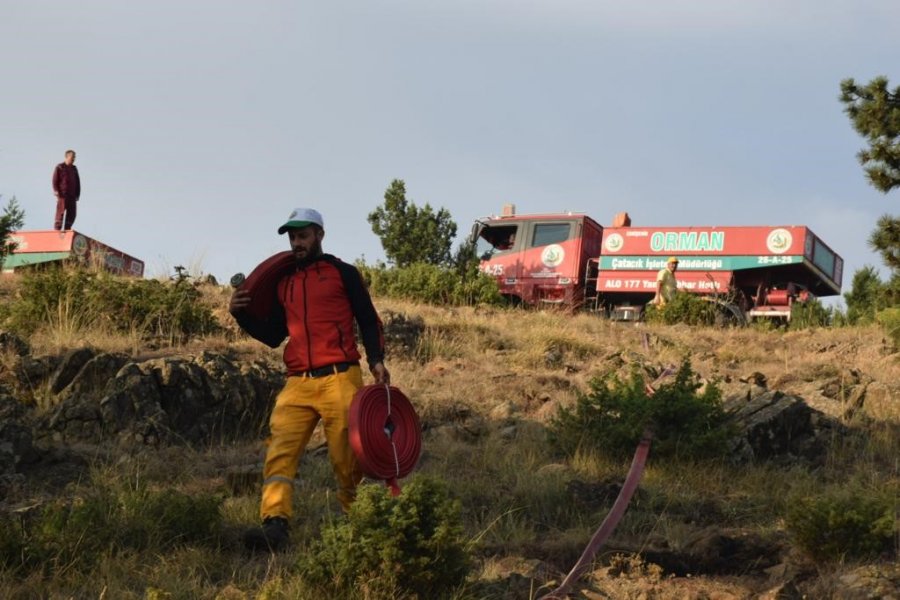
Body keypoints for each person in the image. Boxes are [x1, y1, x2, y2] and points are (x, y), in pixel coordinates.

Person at [229, 207, 389, 552]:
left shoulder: (342, 272)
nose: (296, 243)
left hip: (340, 377)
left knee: (346, 457)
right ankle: (275, 525)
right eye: (292, 237)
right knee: (279, 452)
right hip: (297, 382)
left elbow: (368, 318)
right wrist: (239, 314)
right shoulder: (284, 283)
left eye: (303, 235)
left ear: (319, 235)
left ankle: (356, 522)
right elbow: (273, 335)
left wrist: (377, 360)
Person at [52, 150, 81, 230]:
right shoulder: (60, 167)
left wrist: (77, 194)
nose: (73, 159)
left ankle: (67, 229)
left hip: (72, 195)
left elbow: (77, 182)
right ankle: (57, 229)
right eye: (72, 157)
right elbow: (55, 180)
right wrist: (56, 190)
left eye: (74, 157)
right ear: (67, 157)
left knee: (72, 213)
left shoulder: (74, 169)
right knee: (60, 212)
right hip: (62, 194)